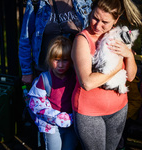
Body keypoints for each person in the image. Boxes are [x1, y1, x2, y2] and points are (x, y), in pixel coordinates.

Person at [71, 0, 142, 149]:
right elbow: (87, 83)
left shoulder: (119, 35)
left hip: (119, 109)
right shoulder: (82, 40)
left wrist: (128, 55)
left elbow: (130, 76)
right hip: (89, 113)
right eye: (95, 18)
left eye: (105, 21)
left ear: (116, 20)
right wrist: (117, 67)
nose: (97, 26)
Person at [19, 0, 92, 84]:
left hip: (75, 70)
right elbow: (25, 38)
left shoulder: (84, 2)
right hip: (46, 72)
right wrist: (27, 72)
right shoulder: (36, 3)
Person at [28, 36, 79, 150]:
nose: (60, 65)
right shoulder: (45, 79)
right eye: (57, 60)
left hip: (71, 124)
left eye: (64, 60)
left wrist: (71, 118)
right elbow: (36, 105)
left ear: (71, 60)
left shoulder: (75, 76)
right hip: (51, 126)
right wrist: (58, 118)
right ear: (50, 59)